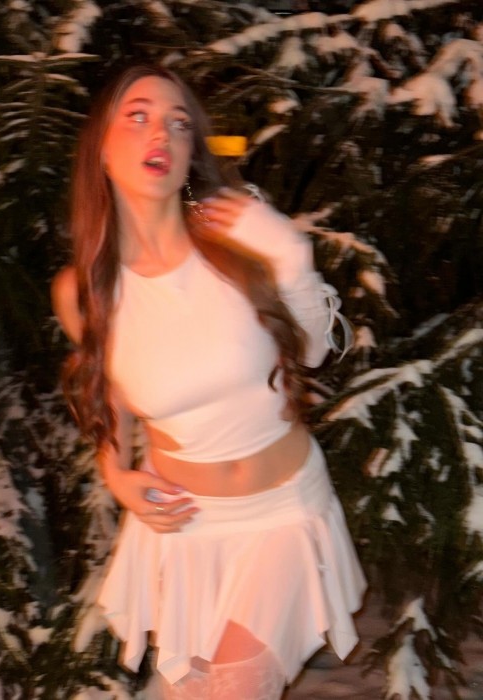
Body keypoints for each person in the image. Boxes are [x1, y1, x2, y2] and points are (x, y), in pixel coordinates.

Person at [52, 62, 366, 700]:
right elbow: (113, 395)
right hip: (186, 528)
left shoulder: (238, 239)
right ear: (100, 148)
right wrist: (116, 474)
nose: (160, 133)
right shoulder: (84, 291)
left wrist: (292, 258)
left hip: (284, 516)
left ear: (192, 150)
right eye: (137, 116)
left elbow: (312, 352)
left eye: (178, 123)